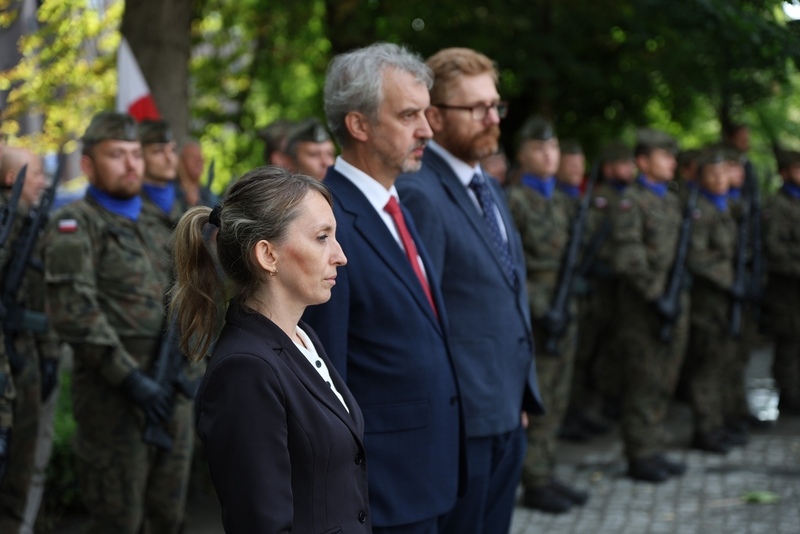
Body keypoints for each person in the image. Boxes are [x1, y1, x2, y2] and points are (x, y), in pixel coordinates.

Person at [303, 42, 463, 534]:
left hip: (426, 474)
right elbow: (325, 377)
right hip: (380, 494)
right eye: (409, 115)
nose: (427, 130)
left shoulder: (396, 206)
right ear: (359, 124)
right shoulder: (325, 222)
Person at [170, 166, 368, 533]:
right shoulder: (245, 368)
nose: (340, 255)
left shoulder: (303, 336)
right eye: (322, 237)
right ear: (268, 255)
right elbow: (261, 523)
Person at [395, 47, 543, 534]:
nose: (491, 118)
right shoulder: (420, 191)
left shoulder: (489, 186)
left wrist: (519, 394)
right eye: (475, 107)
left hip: (504, 409)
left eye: (494, 105)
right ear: (434, 115)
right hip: (462, 425)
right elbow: (422, 318)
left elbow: (504, 293)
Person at [42, 112, 191, 533]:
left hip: (169, 387)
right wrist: (131, 380)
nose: (131, 165)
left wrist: (190, 369)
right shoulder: (75, 224)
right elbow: (74, 312)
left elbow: (188, 297)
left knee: (169, 516)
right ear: (88, 165)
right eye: (116, 155)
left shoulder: (157, 222)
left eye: (134, 154)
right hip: (114, 397)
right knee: (119, 520)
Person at [506, 116, 589, 514]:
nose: (549, 155)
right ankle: (532, 478)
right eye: (540, 149)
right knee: (538, 396)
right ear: (522, 155)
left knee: (558, 393)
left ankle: (545, 470)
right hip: (536, 310)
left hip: (564, 302)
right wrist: (540, 307)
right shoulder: (515, 200)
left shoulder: (563, 200)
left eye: (553, 148)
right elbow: (510, 265)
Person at [609, 128, 689, 483]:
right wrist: (658, 296)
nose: (672, 161)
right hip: (644, 308)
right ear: (643, 162)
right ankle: (639, 454)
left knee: (665, 379)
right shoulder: (631, 201)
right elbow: (629, 256)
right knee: (644, 380)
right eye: (664, 155)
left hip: (674, 304)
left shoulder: (670, 201)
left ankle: (653, 447)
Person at [0, 148, 61, 532]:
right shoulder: (10, 225)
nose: (42, 180)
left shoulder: (32, 222)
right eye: (36, 173)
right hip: (12, 357)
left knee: (26, 467)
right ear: (12, 180)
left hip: (27, 355)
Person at [568, 142, 637, 438]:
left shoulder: (625, 198)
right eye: (623, 164)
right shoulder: (600, 199)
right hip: (596, 287)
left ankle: (590, 408)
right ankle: (575, 413)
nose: (629, 170)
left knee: (605, 353)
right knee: (585, 354)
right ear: (609, 169)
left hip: (612, 288)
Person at [685, 146, 739, 454]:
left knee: (723, 363)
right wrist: (730, 280)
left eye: (724, 173)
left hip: (727, 300)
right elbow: (698, 256)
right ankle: (705, 428)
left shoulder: (727, 207)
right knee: (706, 366)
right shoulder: (700, 210)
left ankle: (718, 423)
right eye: (713, 174)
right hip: (708, 300)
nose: (721, 179)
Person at [762, 149, 800, 416]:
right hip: (786, 290)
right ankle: (788, 397)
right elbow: (774, 250)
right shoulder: (778, 205)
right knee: (788, 343)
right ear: (785, 173)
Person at [176, 140, 217, 209]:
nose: (199, 160)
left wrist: (197, 203)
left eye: (200, 156)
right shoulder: (170, 192)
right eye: (192, 156)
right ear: (180, 161)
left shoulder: (211, 196)